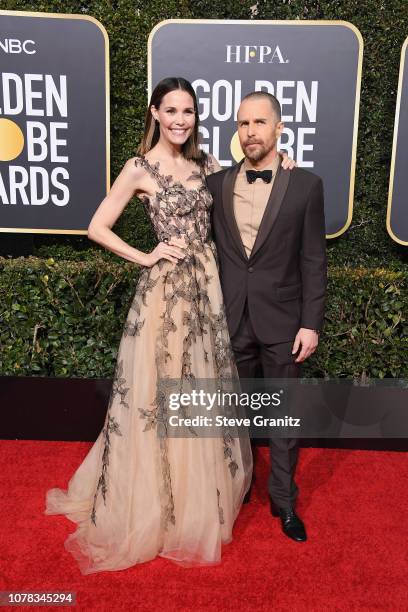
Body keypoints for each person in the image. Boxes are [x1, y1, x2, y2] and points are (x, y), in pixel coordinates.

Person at [44, 78, 295, 573]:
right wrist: (145, 255)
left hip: (209, 291)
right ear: (155, 113)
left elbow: (250, 182)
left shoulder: (208, 166)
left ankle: (194, 499)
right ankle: (155, 504)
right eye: (172, 110)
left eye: (189, 112)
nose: (181, 120)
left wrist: (279, 163)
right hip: (163, 297)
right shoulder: (139, 168)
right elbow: (96, 227)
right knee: (157, 397)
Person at [206, 91, 327, 543]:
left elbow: (313, 259)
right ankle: (234, 495)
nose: (250, 132)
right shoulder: (216, 184)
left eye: (259, 122)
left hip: (284, 322)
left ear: (279, 128)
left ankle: (284, 500)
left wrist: (310, 323)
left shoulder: (306, 185)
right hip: (231, 318)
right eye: (242, 124)